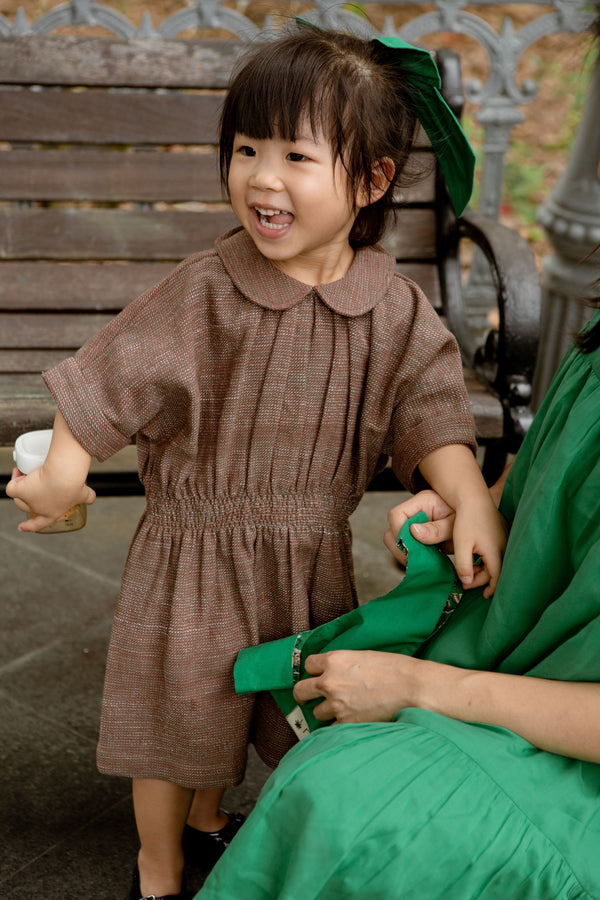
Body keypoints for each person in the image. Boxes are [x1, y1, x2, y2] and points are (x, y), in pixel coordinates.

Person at [5, 25, 506, 900]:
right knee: (178, 716)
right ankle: (157, 870)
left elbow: (433, 412)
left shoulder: (391, 306)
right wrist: (63, 466)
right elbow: (114, 372)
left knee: (268, 700)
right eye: (245, 150)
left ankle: (208, 822)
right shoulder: (208, 290)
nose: (262, 178)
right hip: (194, 555)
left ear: (371, 180)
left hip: (307, 554)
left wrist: (471, 497)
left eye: (296, 156)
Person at [196, 299, 600, 899]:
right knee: (328, 781)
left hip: (572, 764)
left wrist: (416, 687)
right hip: (513, 662)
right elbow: (553, 476)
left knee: (354, 808)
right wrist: (475, 510)